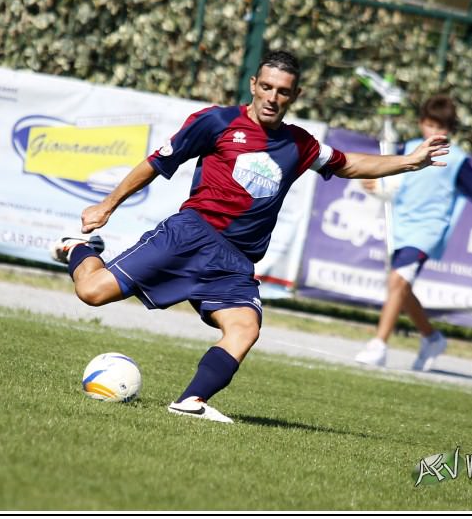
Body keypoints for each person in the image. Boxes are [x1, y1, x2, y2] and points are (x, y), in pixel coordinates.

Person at [51, 50, 450, 423]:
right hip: (190, 236)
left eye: (283, 91)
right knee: (92, 293)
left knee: (245, 327)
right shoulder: (217, 122)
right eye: (267, 87)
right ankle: (78, 248)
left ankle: (191, 401)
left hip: (236, 260)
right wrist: (108, 204)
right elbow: (158, 161)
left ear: (295, 95)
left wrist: (409, 162)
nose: (273, 97)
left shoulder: (299, 144)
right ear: (254, 84)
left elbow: (349, 164)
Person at [354, 94, 472, 371]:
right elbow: (389, 181)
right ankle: (431, 338)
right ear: (422, 124)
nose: (436, 132)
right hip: (400, 226)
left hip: (428, 231)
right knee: (402, 289)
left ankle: (379, 345)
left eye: (442, 127)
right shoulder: (408, 148)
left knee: (397, 282)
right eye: (431, 125)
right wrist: (372, 185)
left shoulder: (456, 160)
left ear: (450, 130)